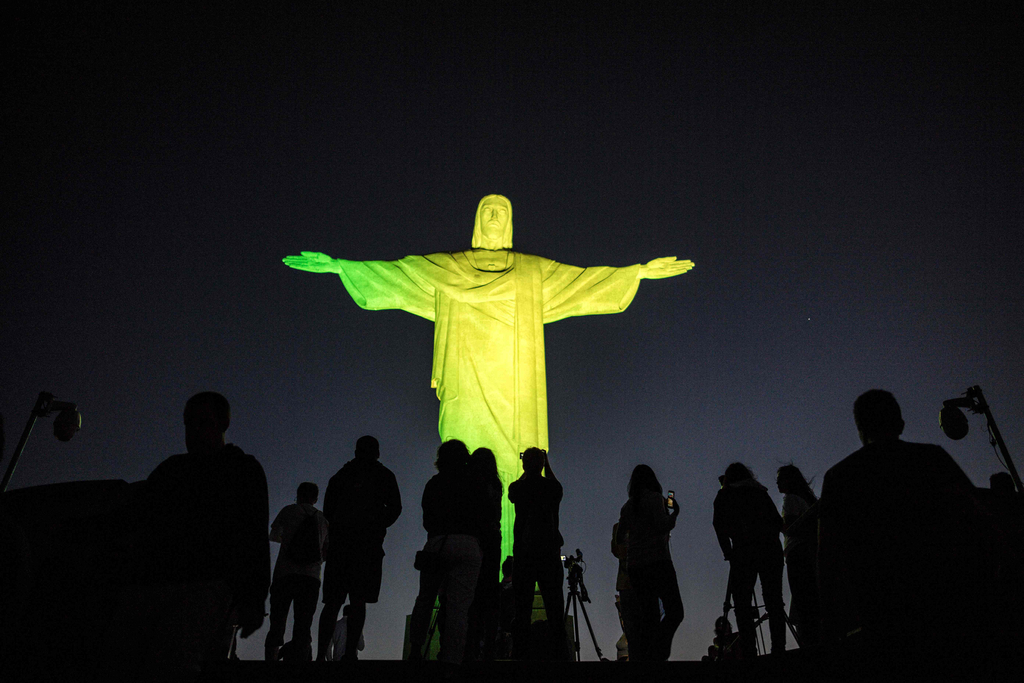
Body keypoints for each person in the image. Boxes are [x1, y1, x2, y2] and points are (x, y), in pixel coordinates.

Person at [283, 195, 695, 560]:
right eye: (488, 211)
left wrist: (635, 273)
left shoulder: (532, 272)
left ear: (510, 221)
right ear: (479, 220)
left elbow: (583, 281)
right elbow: (398, 276)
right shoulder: (449, 268)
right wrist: (341, 267)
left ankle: (511, 560)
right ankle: (471, 549)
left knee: (514, 465)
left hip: (514, 386)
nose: (496, 217)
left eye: (503, 212)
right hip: (465, 380)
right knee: (462, 456)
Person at [818, 389, 1002, 654]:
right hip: (944, 603)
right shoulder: (933, 460)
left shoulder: (839, 477)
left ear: (860, 429)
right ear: (901, 424)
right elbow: (981, 523)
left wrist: (829, 621)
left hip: (878, 611)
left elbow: (827, 556)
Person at [108, 392, 270, 680]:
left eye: (203, 422)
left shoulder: (243, 469)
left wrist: (254, 600)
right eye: (189, 424)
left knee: (173, 662)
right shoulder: (171, 469)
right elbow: (138, 519)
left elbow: (254, 536)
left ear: (222, 424)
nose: (194, 431)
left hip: (206, 584)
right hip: (152, 582)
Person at [316, 435, 402, 661]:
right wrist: (376, 524)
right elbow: (395, 508)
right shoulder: (383, 475)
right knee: (358, 600)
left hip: (341, 547)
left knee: (332, 603)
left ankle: (319, 655)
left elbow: (327, 511)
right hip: (367, 547)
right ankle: (349, 655)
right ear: (377, 452)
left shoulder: (340, 476)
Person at [408, 440, 490, 670]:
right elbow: (485, 517)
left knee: (425, 600)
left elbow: (427, 519)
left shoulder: (434, 483)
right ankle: (451, 660)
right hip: (467, 544)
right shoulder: (477, 483)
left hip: (437, 543)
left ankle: (415, 650)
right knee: (458, 608)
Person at [713, 462, 785, 656]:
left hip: (743, 552)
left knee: (742, 605)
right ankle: (779, 649)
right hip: (770, 549)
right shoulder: (760, 492)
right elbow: (778, 522)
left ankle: (749, 652)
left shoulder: (725, 495)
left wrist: (728, 552)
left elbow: (718, 525)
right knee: (774, 601)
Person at [617, 464, 683, 661]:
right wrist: (674, 514)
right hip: (658, 561)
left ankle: (649, 657)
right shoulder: (655, 499)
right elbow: (663, 526)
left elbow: (620, 538)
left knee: (649, 616)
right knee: (675, 611)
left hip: (636, 567)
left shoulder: (627, 506)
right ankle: (659, 652)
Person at [508, 447, 568, 660]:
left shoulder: (519, 488)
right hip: (549, 554)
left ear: (525, 465)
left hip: (524, 555)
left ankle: (519, 655)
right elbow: (557, 487)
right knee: (554, 609)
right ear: (542, 464)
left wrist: (528, 469)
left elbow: (513, 492)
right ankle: (561, 656)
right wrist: (546, 464)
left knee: (522, 609)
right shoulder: (551, 487)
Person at [265, 482, 329, 661]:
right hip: (310, 578)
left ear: (298, 494)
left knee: (277, 622)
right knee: (303, 625)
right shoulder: (323, 520)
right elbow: (326, 551)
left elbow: (274, 535)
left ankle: (271, 659)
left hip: (284, 574)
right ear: (316, 498)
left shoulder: (288, 511)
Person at [775, 464, 820, 647]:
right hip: (810, 553)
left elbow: (791, 528)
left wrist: (776, 523)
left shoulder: (790, 500)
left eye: (780, 479)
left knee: (802, 601)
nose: (777, 482)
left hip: (797, 553)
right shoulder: (807, 500)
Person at [465, 447, 503, 660]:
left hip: (477, 539)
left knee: (474, 593)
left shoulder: (472, 484)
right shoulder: (496, 485)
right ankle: (488, 645)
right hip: (492, 539)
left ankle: (473, 644)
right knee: (489, 593)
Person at [610, 521, 639, 660]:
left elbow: (616, 550)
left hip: (628, 583)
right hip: (633, 583)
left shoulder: (619, 527)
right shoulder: (620, 527)